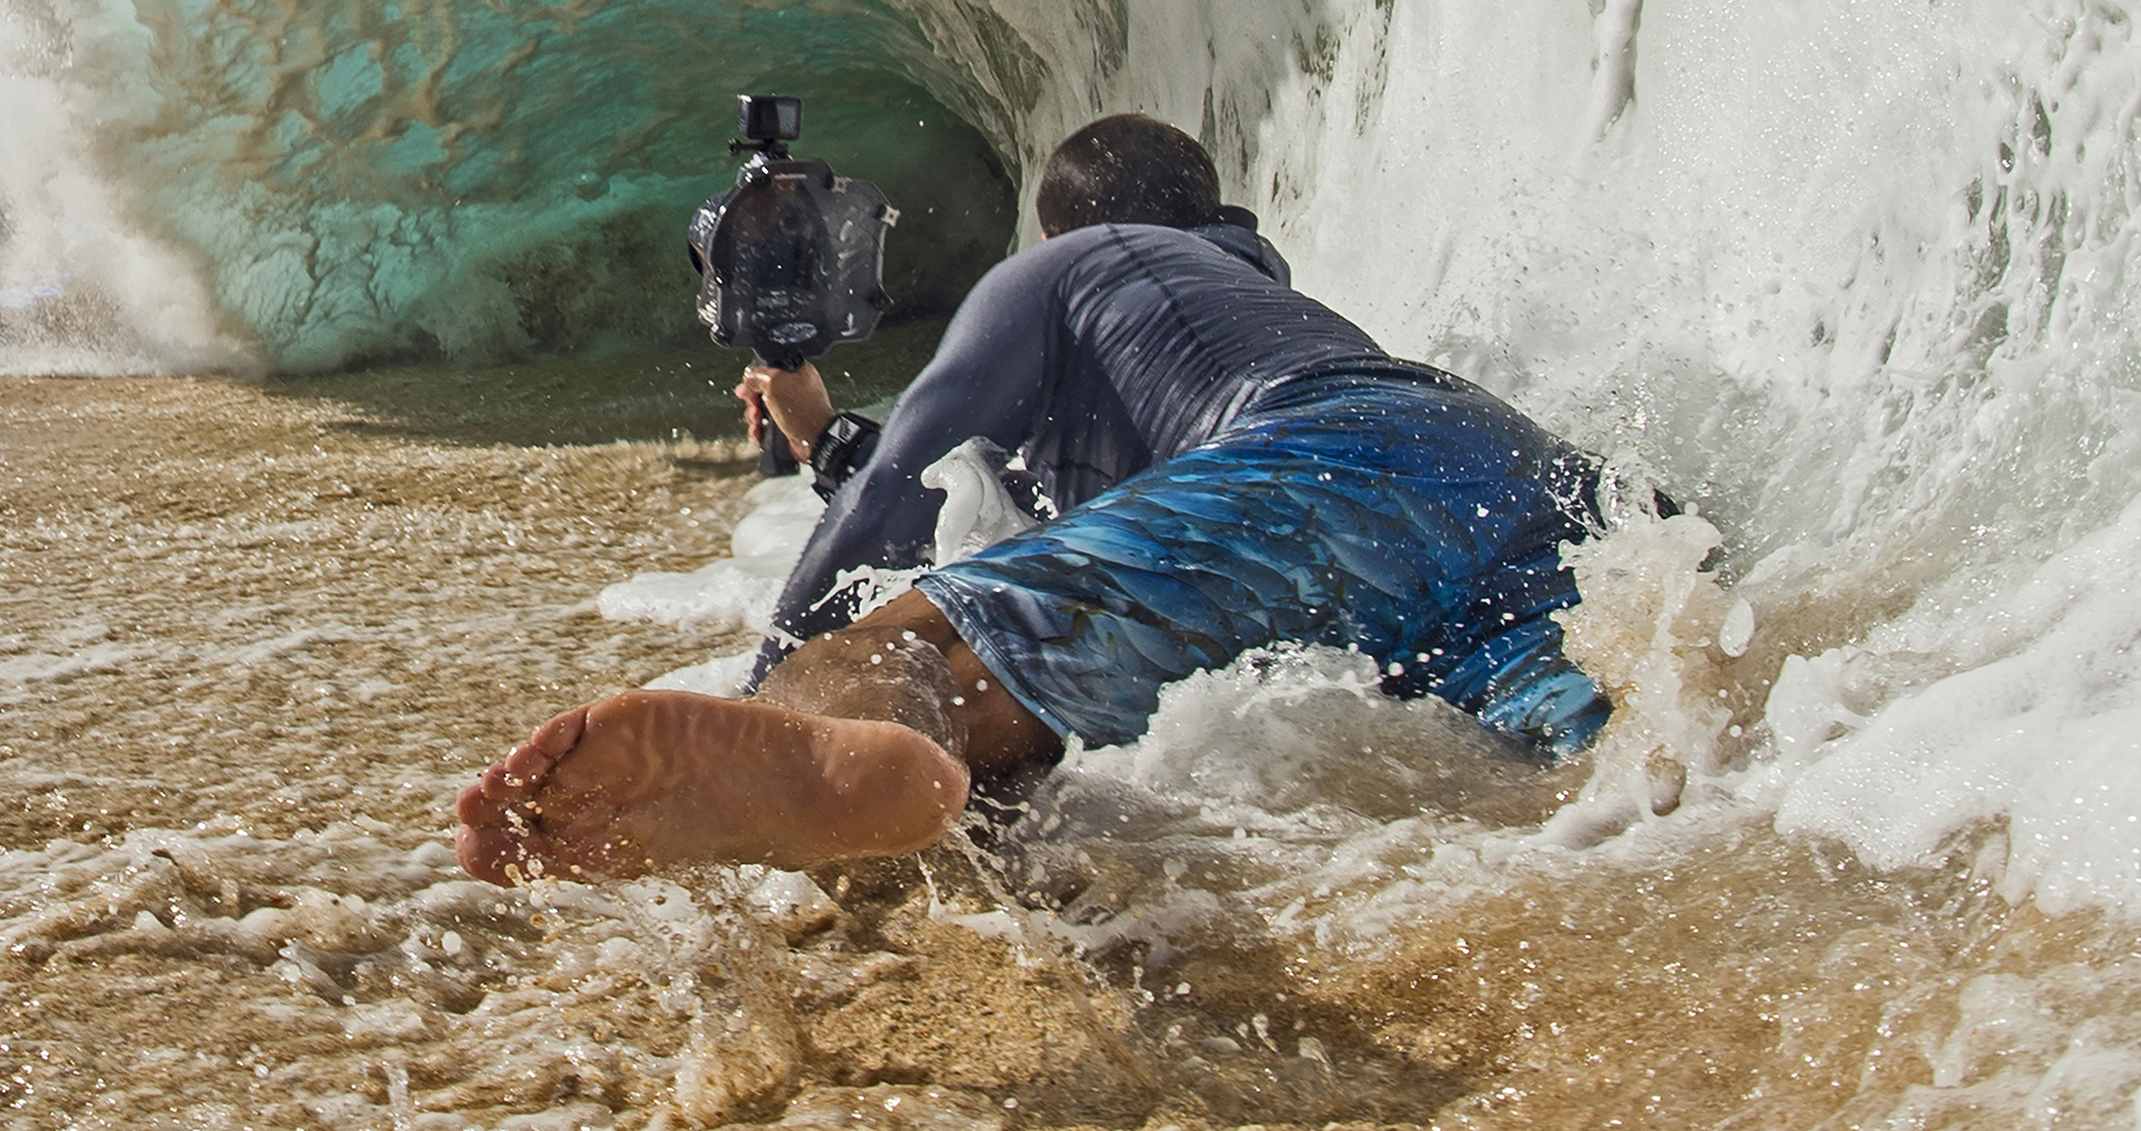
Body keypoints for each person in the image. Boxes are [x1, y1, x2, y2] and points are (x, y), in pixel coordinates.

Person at [455, 114, 1634, 882]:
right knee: (1622, 759)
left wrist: (777, 685)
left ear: (1055, 226)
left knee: (917, 657)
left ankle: (821, 761)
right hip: (1535, 487)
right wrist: (822, 440)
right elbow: (1056, 528)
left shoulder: (1085, 260)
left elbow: (904, 508)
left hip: (1327, 457)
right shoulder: (1249, 303)